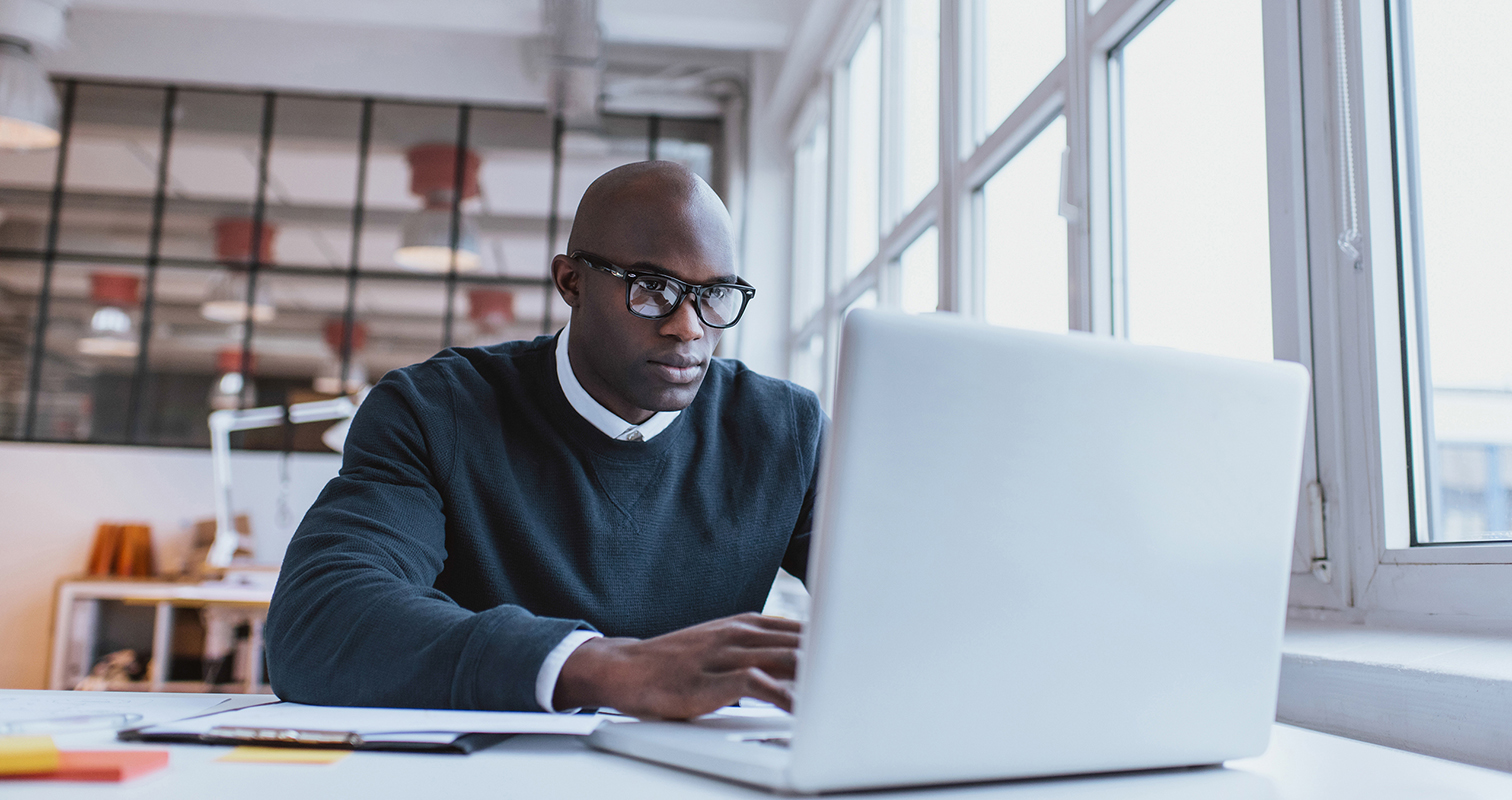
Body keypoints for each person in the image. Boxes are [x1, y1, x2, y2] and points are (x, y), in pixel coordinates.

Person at [264, 161, 825, 719]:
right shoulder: (437, 410)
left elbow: (896, 595)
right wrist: (601, 668)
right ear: (571, 282)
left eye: (716, 294)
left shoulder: (785, 430)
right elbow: (318, 619)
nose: (690, 326)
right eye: (652, 289)